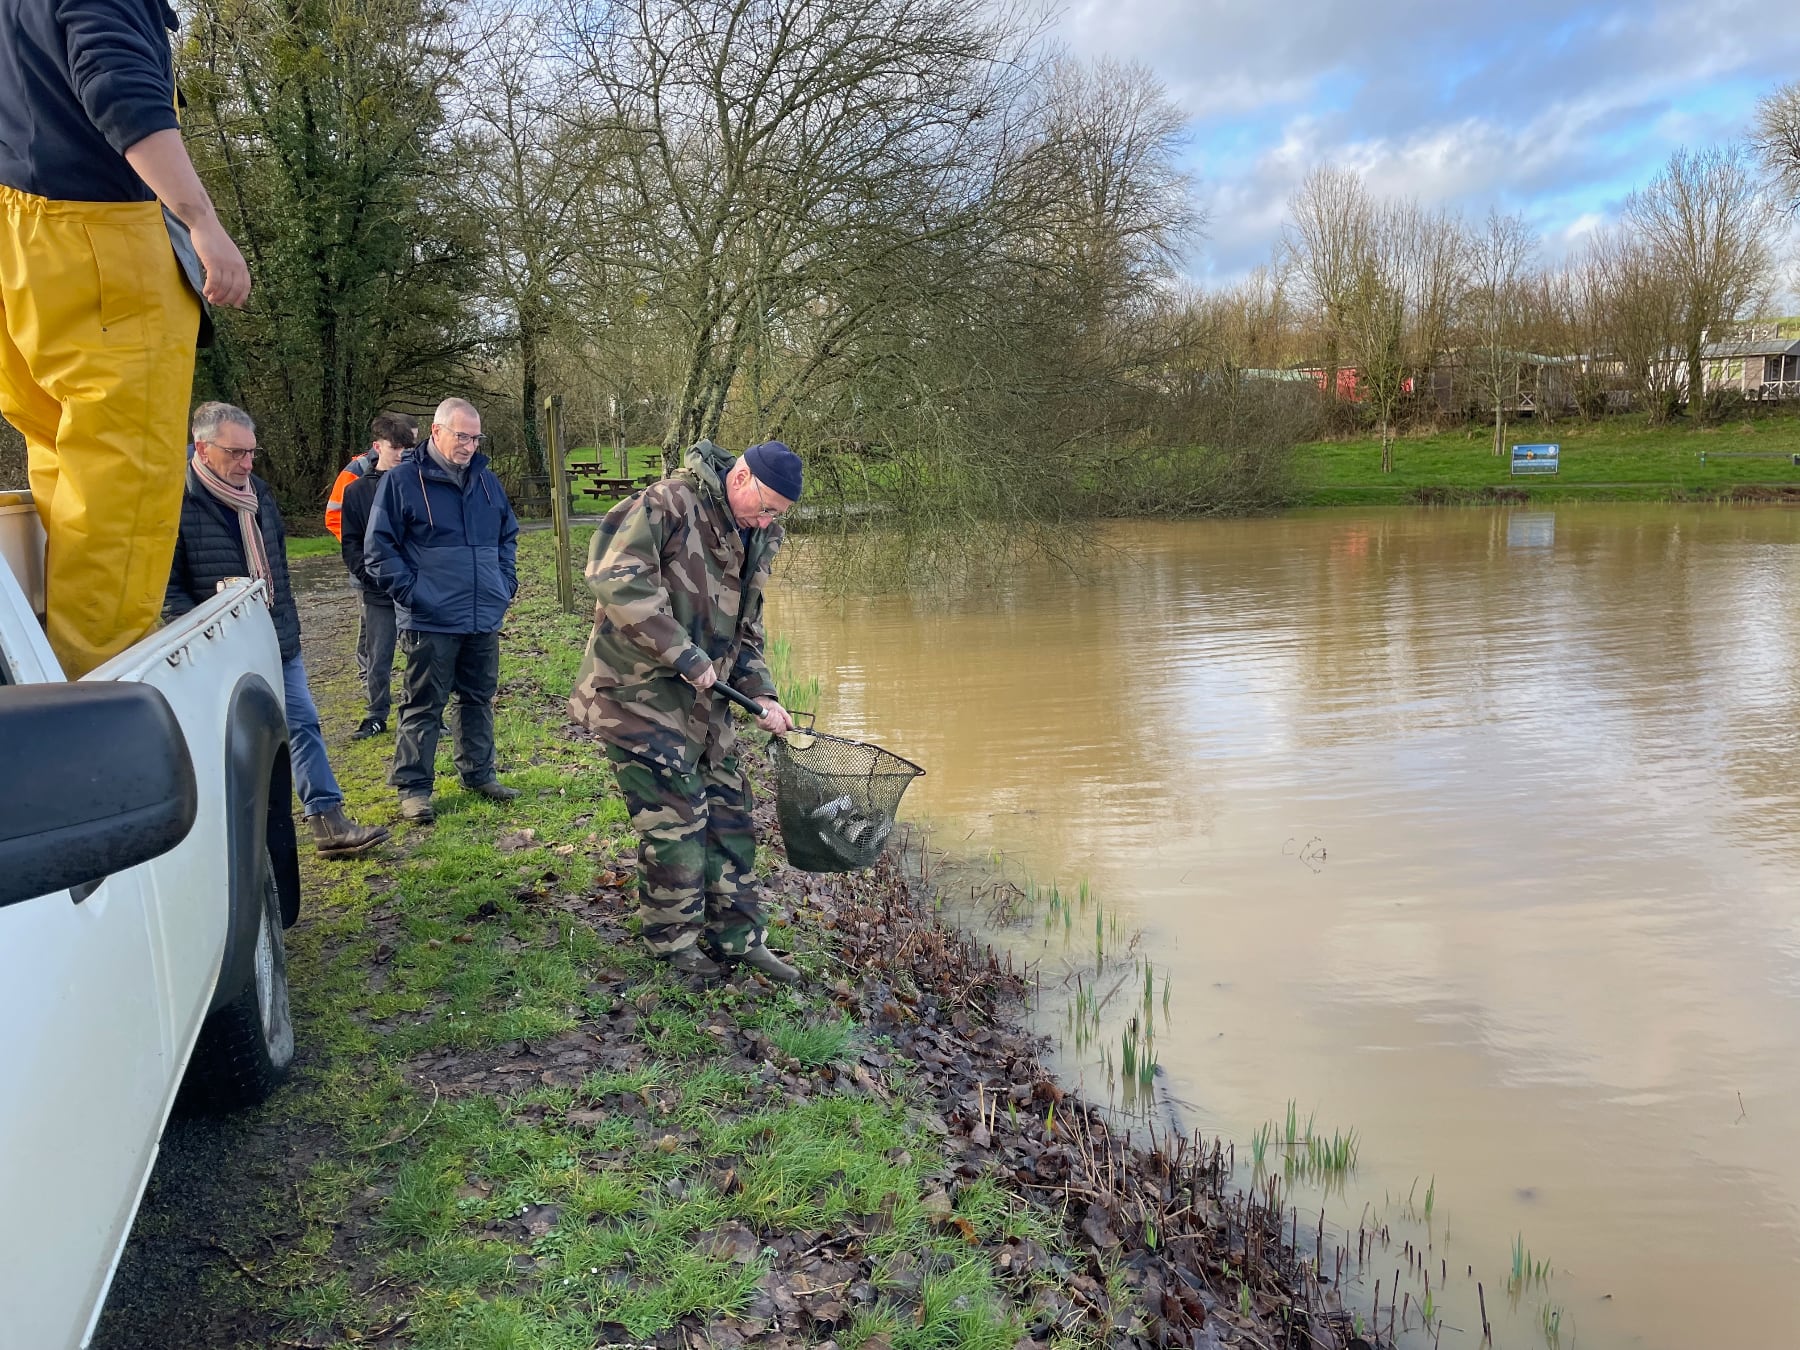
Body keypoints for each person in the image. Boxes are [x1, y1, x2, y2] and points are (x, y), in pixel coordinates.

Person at [0, 0, 250, 678]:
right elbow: (120, 87)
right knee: (122, 496)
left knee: (62, 467)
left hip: (19, 242)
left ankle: (44, 673)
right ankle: (93, 708)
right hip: (99, 244)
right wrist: (200, 220)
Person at [569, 438, 801, 982]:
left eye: (778, 516)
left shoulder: (760, 534)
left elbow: (746, 627)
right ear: (740, 477)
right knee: (677, 821)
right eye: (765, 508)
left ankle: (740, 939)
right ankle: (674, 947)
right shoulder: (667, 504)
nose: (767, 523)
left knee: (731, 813)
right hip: (636, 696)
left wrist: (762, 692)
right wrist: (684, 653)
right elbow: (613, 576)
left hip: (706, 703)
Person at [165, 402, 388, 857]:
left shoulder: (260, 494)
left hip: (275, 639)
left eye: (252, 452)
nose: (247, 463)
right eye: (236, 453)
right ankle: (232, 847)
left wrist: (285, 628)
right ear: (203, 449)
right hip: (218, 651)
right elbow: (168, 594)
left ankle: (328, 820)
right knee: (232, 746)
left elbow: (278, 573)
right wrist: (209, 636)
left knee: (304, 722)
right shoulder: (173, 504)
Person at [364, 397, 520, 822]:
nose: (469, 445)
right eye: (461, 436)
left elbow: (508, 536)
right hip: (430, 617)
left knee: (478, 698)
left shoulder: (488, 482)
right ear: (436, 432)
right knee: (423, 704)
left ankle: (479, 773)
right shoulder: (402, 482)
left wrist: (503, 583)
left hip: (481, 613)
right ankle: (414, 788)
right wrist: (415, 594)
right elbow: (379, 550)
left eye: (475, 437)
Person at [339, 413, 416, 739]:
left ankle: (423, 713)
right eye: (394, 447)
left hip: (414, 588)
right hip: (378, 590)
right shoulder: (356, 492)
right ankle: (375, 715)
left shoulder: (420, 486)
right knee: (378, 656)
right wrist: (369, 575)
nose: (400, 454)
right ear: (377, 446)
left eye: (405, 448)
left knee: (420, 655)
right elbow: (351, 542)